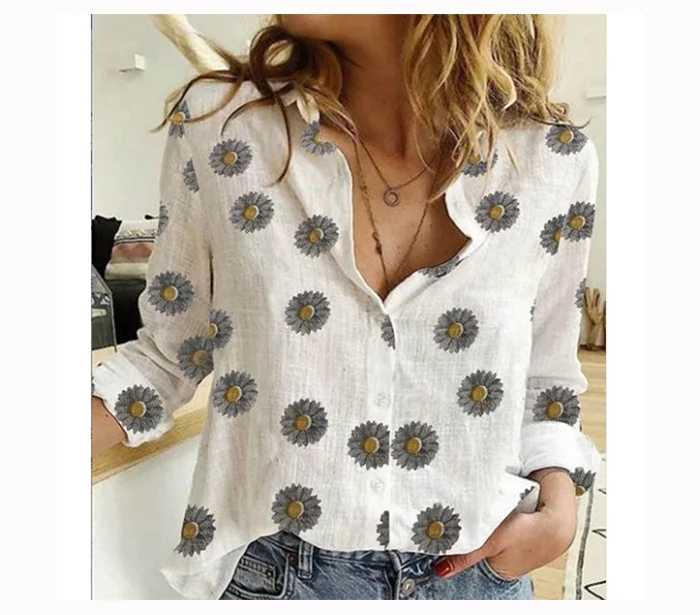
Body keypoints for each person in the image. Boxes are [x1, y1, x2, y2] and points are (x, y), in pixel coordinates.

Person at [91, 14, 601, 600]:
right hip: (280, 574)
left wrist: (558, 503)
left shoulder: (554, 160)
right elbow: (168, 356)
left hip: (480, 568)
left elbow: (547, 381)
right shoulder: (223, 127)